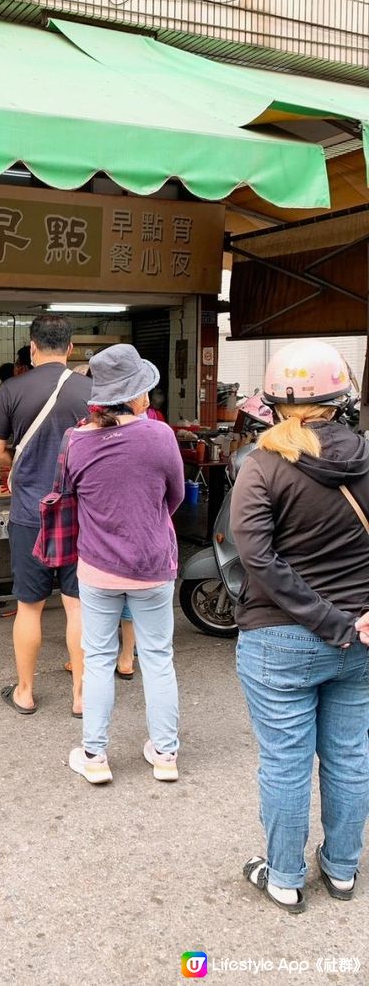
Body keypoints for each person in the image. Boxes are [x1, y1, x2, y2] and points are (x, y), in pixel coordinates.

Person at [231, 340, 369, 914]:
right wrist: (347, 621)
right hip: (360, 637)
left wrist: (323, 619)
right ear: (342, 397)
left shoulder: (261, 465)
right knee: (350, 755)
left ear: (274, 401)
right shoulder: (366, 456)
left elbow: (256, 558)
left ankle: (284, 877)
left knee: (286, 760)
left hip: (279, 640)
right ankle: (342, 870)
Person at [63, 344, 185, 785]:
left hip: (97, 567)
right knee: (158, 658)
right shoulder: (160, 435)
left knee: (97, 659)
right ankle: (165, 754)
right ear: (135, 395)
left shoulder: (76, 440)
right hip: (153, 565)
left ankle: (95, 756)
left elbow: (72, 493)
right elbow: (174, 497)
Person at [0, 316, 91, 717]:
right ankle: (80, 696)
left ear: (32, 347)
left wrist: (17, 466)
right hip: (81, 515)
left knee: (30, 606)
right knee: (78, 605)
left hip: (30, 514)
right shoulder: (91, 391)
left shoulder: (11, 390)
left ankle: (25, 692)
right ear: (70, 347)